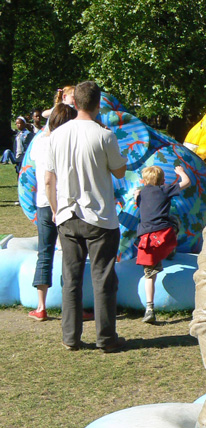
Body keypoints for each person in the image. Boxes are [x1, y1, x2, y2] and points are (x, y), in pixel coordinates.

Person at [46, 81, 128, 353]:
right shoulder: (104, 135)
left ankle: (70, 337)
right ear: (98, 103)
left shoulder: (56, 135)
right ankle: (106, 339)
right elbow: (119, 172)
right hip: (99, 216)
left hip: (67, 215)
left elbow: (48, 178)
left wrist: (56, 210)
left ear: (74, 103)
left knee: (71, 279)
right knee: (103, 278)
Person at [28, 103, 78, 321]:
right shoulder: (68, 144)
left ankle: (41, 306)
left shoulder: (40, 142)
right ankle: (74, 307)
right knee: (73, 256)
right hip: (64, 205)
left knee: (44, 253)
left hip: (43, 204)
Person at [134, 164, 190, 323]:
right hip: (164, 237)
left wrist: (136, 196)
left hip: (147, 240)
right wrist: (181, 172)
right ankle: (170, 251)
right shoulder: (165, 189)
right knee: (173, 220)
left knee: (150, 275)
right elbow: (187, 183)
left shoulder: (142, 193)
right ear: (162, 180)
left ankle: (149, 308)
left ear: (144, 181)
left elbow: (137, 202)